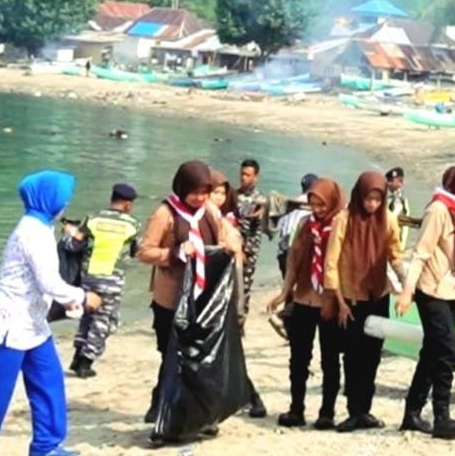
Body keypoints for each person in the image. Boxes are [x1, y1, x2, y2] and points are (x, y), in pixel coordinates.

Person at [0, 171, 103, 456]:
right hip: (9, 324)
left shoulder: (41, 227)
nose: (65, 203)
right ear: (50, 199)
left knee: (49, 381)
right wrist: (83, 298)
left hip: (32, 323)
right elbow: (48, 281)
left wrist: (66, 301)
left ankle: (46, 446)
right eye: (63, 198)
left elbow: (43, 284)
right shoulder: (32, 233)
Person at [138, 160, 245, 427]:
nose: (199, 198)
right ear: (181, 187)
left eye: (204, 192)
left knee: (198, 357)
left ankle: (196, 414)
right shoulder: (166, 213)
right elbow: (144, 251)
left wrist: (230, 246)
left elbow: (229, 236)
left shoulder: (208, 210)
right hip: (171, 300)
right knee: (171, 356)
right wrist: (173, 253)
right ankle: (161, 406)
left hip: (203, 298)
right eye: (194, 192)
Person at [396, 159, 455, 440]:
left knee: (431, 353)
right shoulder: (438, 210)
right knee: (447, 353)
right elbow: (421, 253)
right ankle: (441, 417)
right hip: (431, 291)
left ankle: (412, 414)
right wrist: (407, 291)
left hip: (450, 290)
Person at [324, 172, 407, 431]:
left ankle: (366, 410)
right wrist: (339, 300)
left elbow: (395, 255)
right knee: (352, 356)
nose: (372, 204)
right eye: (368, 198)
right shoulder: (344, 220)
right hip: (350, 299)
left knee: (372, 356)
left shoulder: (388, 220)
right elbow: (331, 262)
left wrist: (407, 283)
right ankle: (353, 410)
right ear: (359, 196)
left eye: (377, 199)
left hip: (377, 296)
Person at [266, 178, 345, 430]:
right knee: (298, 358)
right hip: (303, 298)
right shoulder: (304, 224)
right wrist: (284, 292)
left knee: (330, 359)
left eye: (322, 205)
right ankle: (296, 409)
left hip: (330, 302)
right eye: (313, 204)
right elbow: (293, 260)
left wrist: (343, 301)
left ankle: (327, 413)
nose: (318, 210)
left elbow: (347, 266)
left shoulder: (341, 225)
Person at [67, 182, 140, 378]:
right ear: (127, 205)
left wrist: (69, 232)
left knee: (88, 318)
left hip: (88, 277)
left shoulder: (92, 219)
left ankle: (77, 357)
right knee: (105, 322)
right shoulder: (132, 224)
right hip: (112, 280)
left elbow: (73, 245)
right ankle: (85, 362)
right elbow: (135, 252)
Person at [235, 158, 268, 317]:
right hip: (231, 249)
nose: (243, 178)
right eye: (242, 174)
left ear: (256, 177)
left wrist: (247, 251)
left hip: (248, 251)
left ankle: (240, 323)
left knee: (244, 288)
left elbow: (256, 231)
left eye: (248, 175)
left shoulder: (260, 200)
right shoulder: (233, 196)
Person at [277, 174, 316, 279]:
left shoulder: (289, 205)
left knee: (288, 289)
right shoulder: (312, 207)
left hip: (282, 254)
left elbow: (280, 230)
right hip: (297, 255)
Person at [386, 167, 411, 247]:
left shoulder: (399, 198)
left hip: (397, 235)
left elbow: (394, 216)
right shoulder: (393, 197)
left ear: (400, 182)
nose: (388, 183)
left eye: (391, 181)